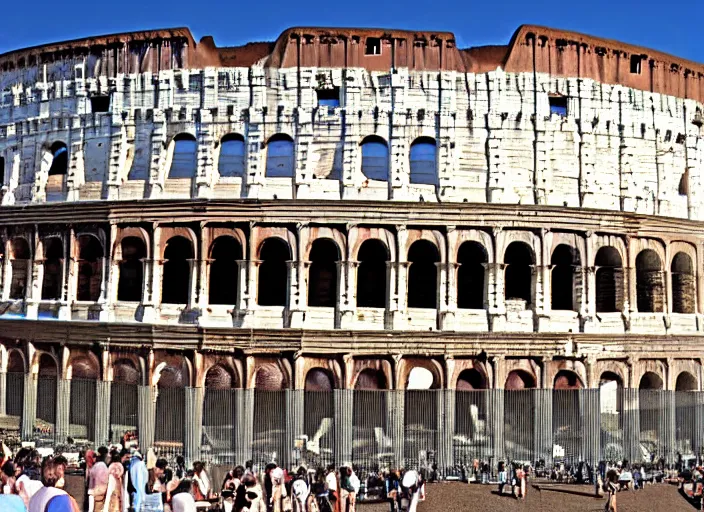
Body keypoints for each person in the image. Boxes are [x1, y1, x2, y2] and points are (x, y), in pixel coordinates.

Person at [89, 447, 110, 512]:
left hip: (93, 492)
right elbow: (102, 482)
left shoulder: (96, 465)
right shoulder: (101, 466)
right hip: (99, 494)